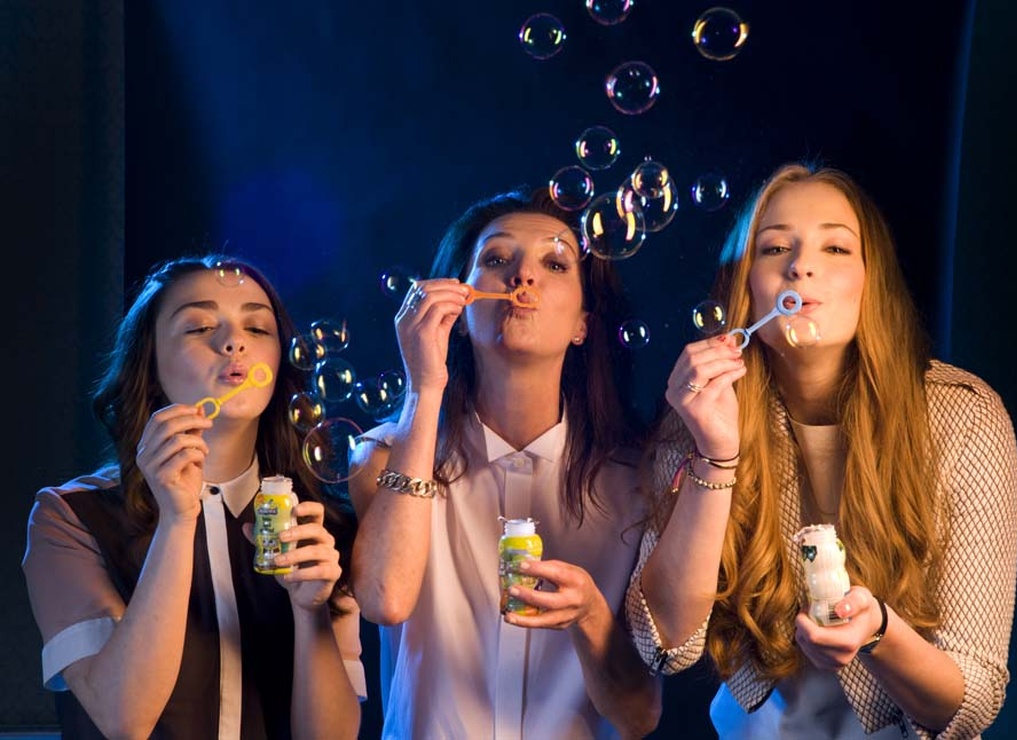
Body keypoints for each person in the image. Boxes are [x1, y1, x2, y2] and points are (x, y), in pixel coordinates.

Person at [625, 163, 1017, 738]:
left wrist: (879, 631)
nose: (800, 266)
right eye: (774, 248)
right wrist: (715, 452)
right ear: (745, 286)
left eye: (835, 248)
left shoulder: (963, 416)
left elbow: (972, 705)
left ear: (871, 280)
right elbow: (664, 646)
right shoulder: (700, 411)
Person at [348, 186, 662, 738]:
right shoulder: (384, 454)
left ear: (583, 324)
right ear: (459, 307)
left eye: (554, 264)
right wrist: (424, 389)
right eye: (496, 259)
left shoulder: (638, 481)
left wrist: (590, 614)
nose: (522, 276)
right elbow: (384, 600)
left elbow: (638, 718)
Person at [22, 254, 365, 738]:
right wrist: (177, 520)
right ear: (149, 363)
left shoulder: (318, 527)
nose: (234, 342)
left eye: (257, 328)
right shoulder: (71, 516)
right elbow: (124, 718)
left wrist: (312, 614)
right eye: (200, 327)